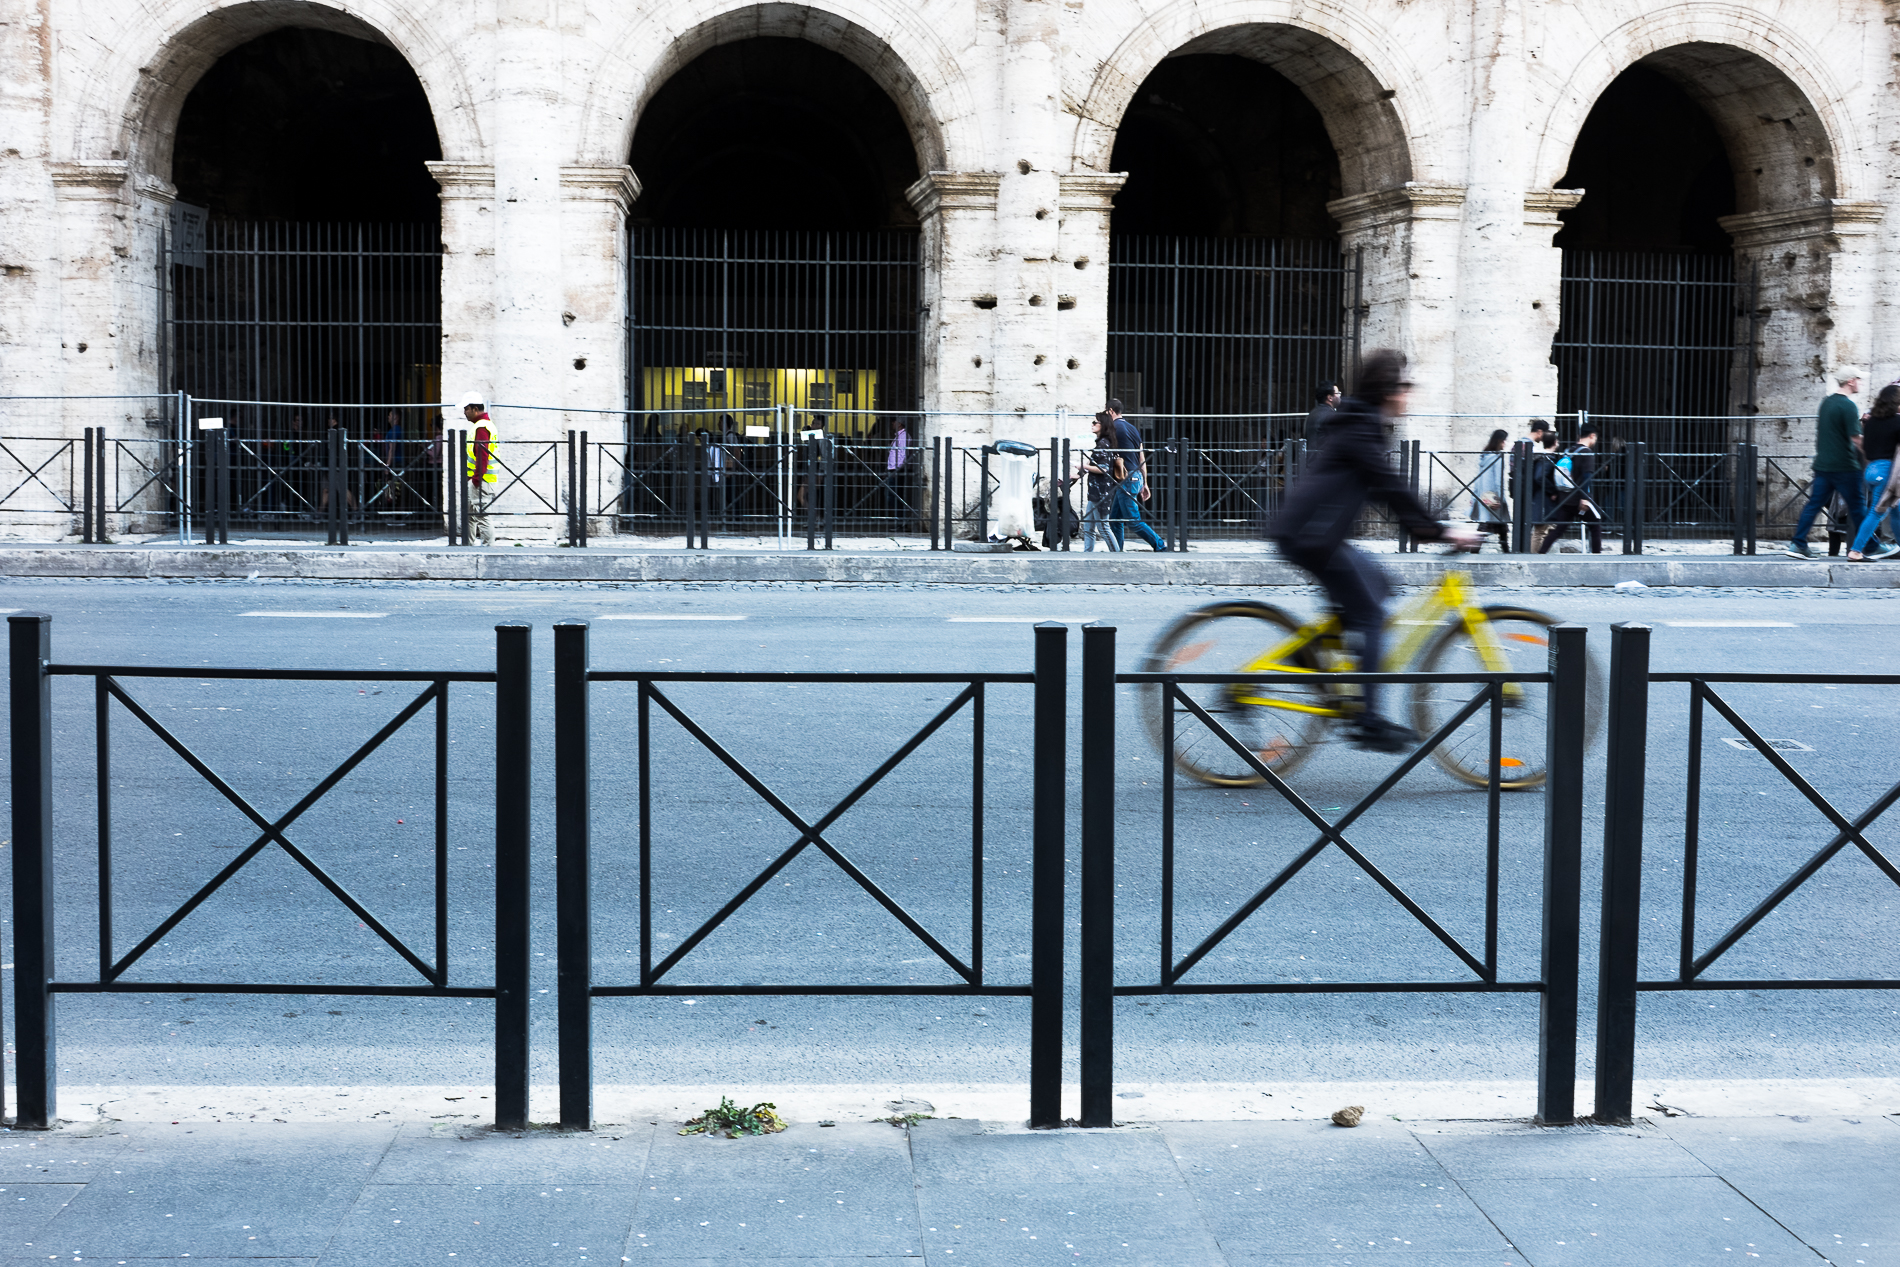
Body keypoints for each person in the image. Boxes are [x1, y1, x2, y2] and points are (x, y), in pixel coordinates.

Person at [1269, 349, 1479, 752]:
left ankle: (1307, 652)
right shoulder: (1360, 430)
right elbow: (1395, 491)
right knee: (1370, 614)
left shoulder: (1364, 425)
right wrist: (1442, 532)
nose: (1409, 395)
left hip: (1315, 533)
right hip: (1310, 536)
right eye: (1404, 387)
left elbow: (1390, 493)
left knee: (1380, 582)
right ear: (1387, 389)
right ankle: (1368, 719)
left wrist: (1429, 528)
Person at [1785, 367, 1866, 557]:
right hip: (1844, 465)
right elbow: (1856, 437)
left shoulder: (1826, 402)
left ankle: (1798, 543)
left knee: (1814, 505)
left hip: (1823, 464)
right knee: (1858, 506)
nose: (1861, 383)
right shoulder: (1848, 406)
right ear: (1851, 381)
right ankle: (1870, 545)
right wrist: (1872, 455)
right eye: (1859, 379)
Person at [1103, 399, 1168, 551]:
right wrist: (1144, 482)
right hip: (1135, 476)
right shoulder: (1133, 429)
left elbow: (1105, 453)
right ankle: (1117, 551)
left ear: (1111, 411)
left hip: (1126, 479)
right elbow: (1141, 458)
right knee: (1115, 520)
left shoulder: (1112, 428)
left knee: (1133, 521)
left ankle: (1160, 545)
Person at [1848, 383, 1900, 560]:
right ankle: (1856, 550)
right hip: (1887, 472)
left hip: (1871, 470)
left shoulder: (1870, 423)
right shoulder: (1897, 421)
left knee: (1896, 510)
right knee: (1877, 512)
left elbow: (1866, 449)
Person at [1537, 422, 1604, 553]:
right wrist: (1585, 498)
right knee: (1595, 526)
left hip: (1565, 498)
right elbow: (1586, 477)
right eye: (1595, 437)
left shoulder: (1569, 450)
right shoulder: (1587, 453)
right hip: (1579, 499)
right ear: (1592, 435)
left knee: (1558, 530)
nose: (1595, 440)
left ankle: (1541, 554)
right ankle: (1597, 558)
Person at [1076, 412, 1123, 551]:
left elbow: (1102, 469)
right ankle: (1087, 555)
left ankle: (1117, 556)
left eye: (1095, 422)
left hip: (1101, 491)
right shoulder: (1102, 443)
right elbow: (1094, 464)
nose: (1092, 424)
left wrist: (1082, 466)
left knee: (1103, 527)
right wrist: (1077, 474)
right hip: (1096, 491)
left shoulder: (1103, 443)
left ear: (1104, 426)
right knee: (1088, 527)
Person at [461, 393, 497, 546]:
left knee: (482, 515)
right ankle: (468, 547)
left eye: (466, 409)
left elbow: (482, 455)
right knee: (470, 515)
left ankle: (490, 550)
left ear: (475, 409)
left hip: (481, 480)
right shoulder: (480, 425)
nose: (464, 412)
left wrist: (476, 479)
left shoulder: (482, 427)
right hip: (477, 479)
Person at [1469, 428, 1510, 551]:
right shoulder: (1498, 457)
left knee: (1492, 524)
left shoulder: (1484, 456)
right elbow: (1499, 481)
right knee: (1490, 524)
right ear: (1501, 441)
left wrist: (1474, 496)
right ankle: (1475, 550)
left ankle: (1506, 550)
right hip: (1494, 496)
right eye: (1505, 441)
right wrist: (1500, 499)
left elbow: (1477, 478)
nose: (1506, 443)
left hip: (1483, 496)